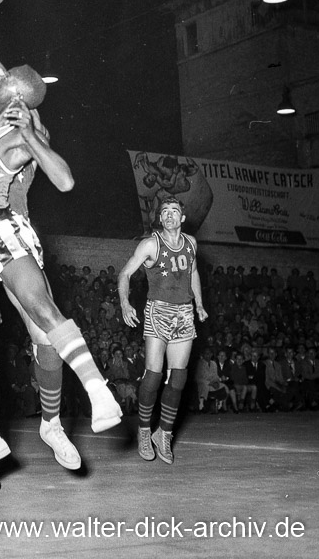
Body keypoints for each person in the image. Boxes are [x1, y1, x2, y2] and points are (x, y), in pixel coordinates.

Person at [0, 0, 122, 480]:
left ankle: (52, 423)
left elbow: (51, 157)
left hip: (8, 228)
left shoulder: (25, 136)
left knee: (43, 334)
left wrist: (4, 74)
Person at [118, 195, 207, 464]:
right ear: (160, 219)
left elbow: (192, 272)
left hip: (184, 313)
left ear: (182, 218)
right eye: (164, 211)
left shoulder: (191, 243)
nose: (169, 214)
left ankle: (163, 434)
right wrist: (124, 302)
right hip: (158, 310)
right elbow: (124, 274)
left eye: (174, 211)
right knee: (154, 375)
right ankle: (144, 430)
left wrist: (200, 304)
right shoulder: (150, 245)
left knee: (178, 378)